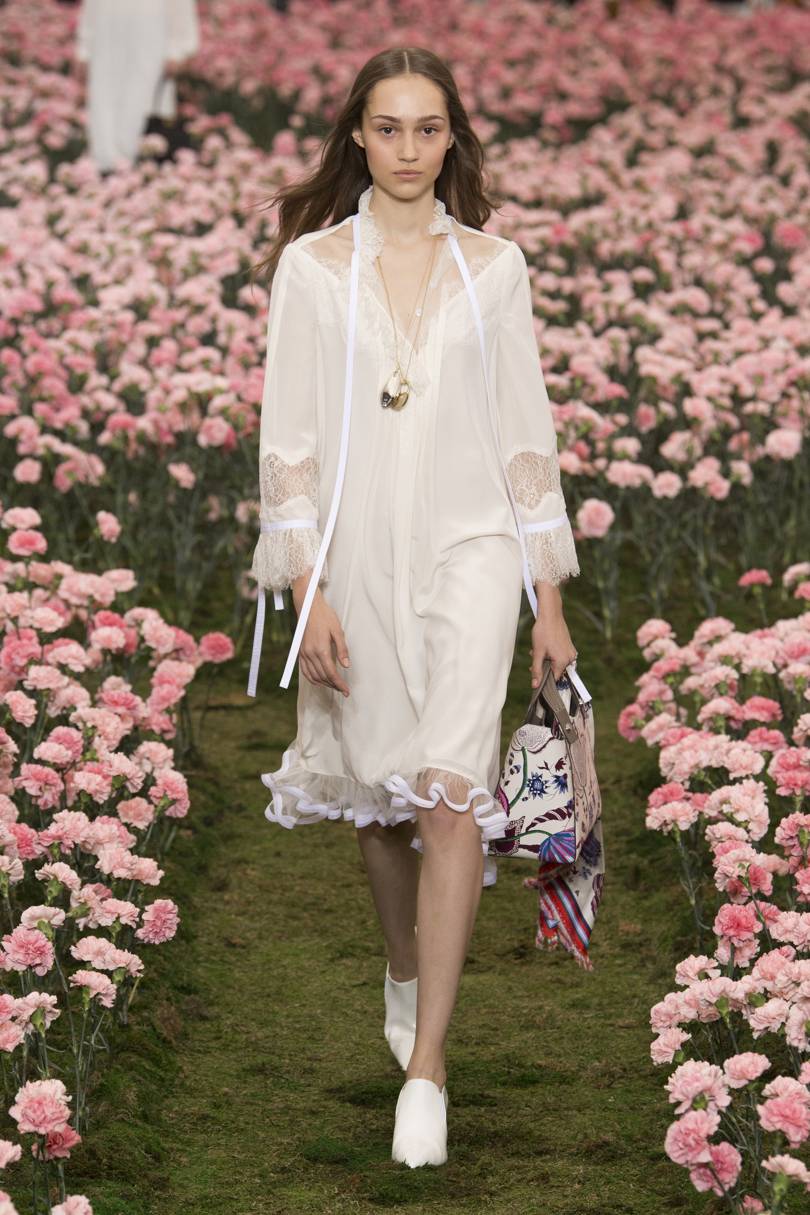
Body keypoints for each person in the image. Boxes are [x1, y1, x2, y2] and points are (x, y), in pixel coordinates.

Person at [247, 46, 580, 1168]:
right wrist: (309, 591)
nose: (405, 148)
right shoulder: (310, 270)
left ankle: (426, 1070)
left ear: (451, 139)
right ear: (357, 135)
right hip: (355, 561)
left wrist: (546, 600)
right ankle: (404, 969)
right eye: (386, 128)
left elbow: (525, 434)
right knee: (383, 802)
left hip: (473, 550)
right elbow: (289, 444)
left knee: (449, 798)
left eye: (426, 128)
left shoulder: (495, 269)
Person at [75, 0, 199, 172]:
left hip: (151, 39)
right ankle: (106, 166)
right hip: (106, 38)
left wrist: (178, 48)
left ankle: (136, 166)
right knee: (104, 105)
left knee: (142, 104)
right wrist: (84, 48)